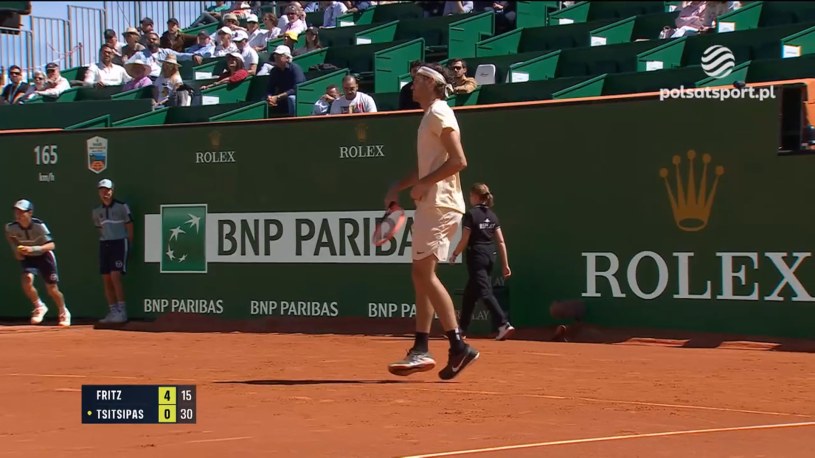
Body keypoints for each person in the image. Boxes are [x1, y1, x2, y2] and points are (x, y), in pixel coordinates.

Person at [384, 63, 478, 381]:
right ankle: (421, 348)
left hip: (440, 205)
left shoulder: (439, 112)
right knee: (421, 276)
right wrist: (399, 186)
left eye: (417, 80)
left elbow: (459, 160)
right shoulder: (430, 116)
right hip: (432, 205)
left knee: (422, 273)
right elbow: (428, 168)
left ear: (431, 83)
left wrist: (425, 184)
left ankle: (458, 345)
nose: (412, 85)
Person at [449, 183, 514, 340]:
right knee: (470, 295)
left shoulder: (471, 215)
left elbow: (465, 239)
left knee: (484, 291)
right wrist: (505, 264)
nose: (470, 198)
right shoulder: (492, 216)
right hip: (490, 256)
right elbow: (501, 242)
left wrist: (455, 253)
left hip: (477, 257)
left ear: (476, 197)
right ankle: (462, 330)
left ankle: (503, 324)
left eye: (471, 196)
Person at [4, 199, 71, 326]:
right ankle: (39, 306)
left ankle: (63, 311)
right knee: (26, 281)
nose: (18, 215)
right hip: (28, 258)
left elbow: (51, 245)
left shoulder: (39, 225)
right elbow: (8, 234)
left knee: (52, 289)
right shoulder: (11, 227)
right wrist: (15, 249)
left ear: (30, 213)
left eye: (22, 212)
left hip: (44, 256)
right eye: (16, 212)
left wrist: (33, 249)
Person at [92, 179, 133, 324]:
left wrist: (129, 244)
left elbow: (129, 226)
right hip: (105, 244)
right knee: (106, 278)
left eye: (107, 190)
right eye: (102, 190)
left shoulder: (122, 207)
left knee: (115, 276)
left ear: (112, 190)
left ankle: (122, 312)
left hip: (120, 243)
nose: (105, 193)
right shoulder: (96, 212)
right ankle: (113, 311)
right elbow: (100, 229)